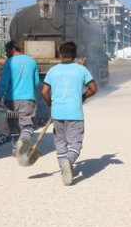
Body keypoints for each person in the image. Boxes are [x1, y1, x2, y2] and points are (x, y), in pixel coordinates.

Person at [41, 41, 98, 186]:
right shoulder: (81, 70)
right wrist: (83, 96)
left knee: (60, 143)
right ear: (75, 55)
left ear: (60, 54)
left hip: (58, 113)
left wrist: (50, 104)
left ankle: (64, 169)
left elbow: (45, 92)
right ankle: (69, 161)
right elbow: (93, 88)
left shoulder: (53, 71)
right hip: (75, 113)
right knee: (75, 143)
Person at [0, 40, 40, 157]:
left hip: (11, 101)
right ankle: (24, 140)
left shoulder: (9, 63)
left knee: (14, 125)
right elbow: (36, 82)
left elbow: (3, 83)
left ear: (13, 49)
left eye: (7, 51)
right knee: (27, 124)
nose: (6, 53)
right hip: (27, 100)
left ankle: (16, 150)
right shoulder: (31, 61)